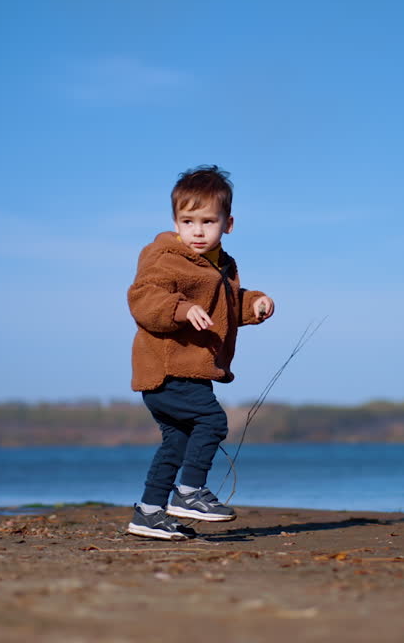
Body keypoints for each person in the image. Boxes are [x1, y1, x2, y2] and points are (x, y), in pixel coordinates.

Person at [125, 165, 275, 540]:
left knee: (176, 442)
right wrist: (179, 308)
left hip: (193, 370)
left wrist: (254, 304)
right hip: (167, 370)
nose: (197, 230)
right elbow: (144, 298)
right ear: (175, 222)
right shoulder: (165, 257)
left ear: (228, 224)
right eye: (187, 220)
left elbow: (224, 307)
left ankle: (148, 512)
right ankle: (190, 493)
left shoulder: (220, 265)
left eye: (208, 221)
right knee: (213, 423)